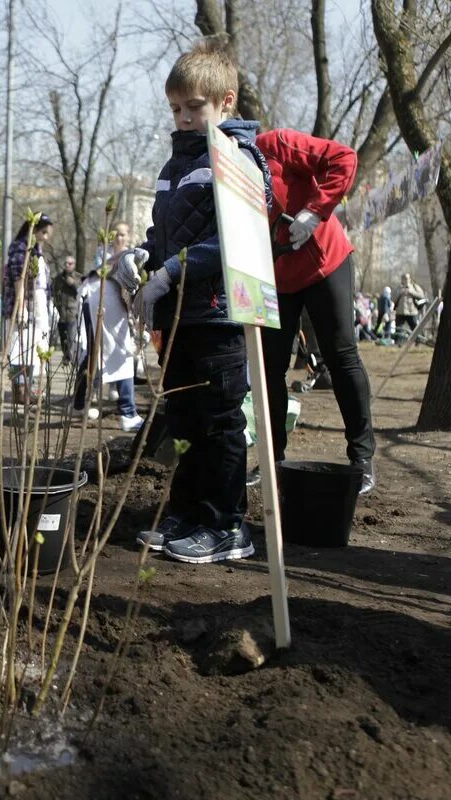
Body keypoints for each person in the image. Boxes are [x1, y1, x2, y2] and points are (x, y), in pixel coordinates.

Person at [117, 42, 271, 565]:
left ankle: (227, 524)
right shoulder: (174, 166)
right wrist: (142, 256)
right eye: (176, 109)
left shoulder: (238, 158)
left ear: (225, 102)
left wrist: (172, 270)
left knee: (218, 420)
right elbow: (163, 232)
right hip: (179, 313)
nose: (183, 118)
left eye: (194, 108)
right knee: (183, 416)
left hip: (218, 311)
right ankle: (186, 512)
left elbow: (235, 238)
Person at [252, 127, 376, 494]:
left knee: (341, 354)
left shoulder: (273, 145)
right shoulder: (217, 170)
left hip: (325, 262)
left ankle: (362, 459)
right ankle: (272, 460)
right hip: (274, 277)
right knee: (269, 367)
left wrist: (315, 211)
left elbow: (344, 158)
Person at [72, 223, 143, 431]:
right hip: (101, 299)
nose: (119, 238)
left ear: (128, 236)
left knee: (94, 354)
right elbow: (118, 282)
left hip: (100, 300)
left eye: (123, 234)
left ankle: (78, 403)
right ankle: (128, 413)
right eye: (116, 234)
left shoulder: (129, 256)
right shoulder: (107, 254)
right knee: (121, 353)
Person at [3, 214, 54, 403]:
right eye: (44, 232)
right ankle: (20, 390)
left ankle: (29, 388)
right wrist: (20, 306)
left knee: (34, 349)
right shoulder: (21, 248)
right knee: (21, 348)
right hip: (25, 305)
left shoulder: (36, 250)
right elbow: (19, 277)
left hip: (38, 306)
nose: (47, 236)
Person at [54, 255, 82, 359]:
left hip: (72, 313)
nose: (67, 265)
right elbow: (55, 292)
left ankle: (71, 357)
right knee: (63, 338)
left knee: (71, 338)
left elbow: (82, 292)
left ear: (74, 265)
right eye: (65, 263)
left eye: (70, 263)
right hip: (61, 314)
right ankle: (66, 356)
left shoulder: (78, 277)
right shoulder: (58, 278)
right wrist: (56, 306)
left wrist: (74, 284)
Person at [392, 273, 426, 340]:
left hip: (412, 311)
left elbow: (422, 296)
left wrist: (411, 292)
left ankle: (419, 340)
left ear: (410, 279)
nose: (405, 280)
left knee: (414, 327)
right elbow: (393, 298)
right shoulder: (397, 288)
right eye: (404, 278)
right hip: (400, 312)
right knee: (399, 328)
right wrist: (400, 293)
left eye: (407, 278)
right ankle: (398, 342)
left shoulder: (414, 287)